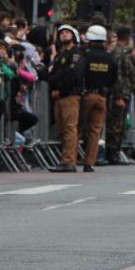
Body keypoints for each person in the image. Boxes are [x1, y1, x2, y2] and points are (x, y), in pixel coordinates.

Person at [79, 25, 117, 173]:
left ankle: (70, 158)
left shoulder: (86, 56)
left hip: (86, 94)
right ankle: (89, 163)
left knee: (78, 127)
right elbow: (114, 78)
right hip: (102, 96)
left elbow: (80, 74)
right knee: (95, 131)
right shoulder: (110, 58)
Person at [48, 25, 83, 172]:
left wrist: (60, 89)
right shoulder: (59, 55)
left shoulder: (76, 54)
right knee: (63, 129)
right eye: (61, 33)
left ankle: (69, 161)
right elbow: (54, 73)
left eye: (67, 32)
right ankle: (66, 159)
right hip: (59, 96)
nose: (63, 35)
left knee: (69, 128)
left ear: (74, 36)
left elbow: (72, 74)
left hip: (69, 95)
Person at [103, 26, 135, 166]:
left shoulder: (122, 52)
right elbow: (118, 76)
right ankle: (112, 154)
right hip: (119, 94)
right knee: (116, 125)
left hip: (125, 93)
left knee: (120, 125)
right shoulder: (118, 53)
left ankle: (115, 152)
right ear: (127, 38)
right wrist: (119, 96)